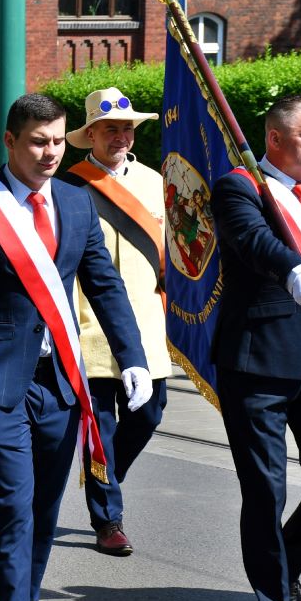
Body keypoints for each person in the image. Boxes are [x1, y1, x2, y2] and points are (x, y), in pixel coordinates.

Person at [0, 93, 150, 601]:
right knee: (11, 506)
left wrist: (133, 357)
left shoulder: (78, 205)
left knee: (44, 513)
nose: (50, 152)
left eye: (57, 141)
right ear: (9, 142)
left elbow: (104, 284)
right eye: (38, 142)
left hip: (61, 384)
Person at [210, 94, 301, 601]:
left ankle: (284, 565)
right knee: (266, 489)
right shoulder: (241, 187)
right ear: (277, 139)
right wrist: (294, 267)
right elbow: (253, 243)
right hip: (258, 361)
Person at [62, 87, 171, 556]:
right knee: (99, 427)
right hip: (90, 330)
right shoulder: (69, 186)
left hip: (146, 328)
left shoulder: (156, 182)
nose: (122, 136)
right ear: (90, 136)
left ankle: (102, 478)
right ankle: (108, 519)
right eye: (111, 129)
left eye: (127, 128)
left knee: (148, 416)